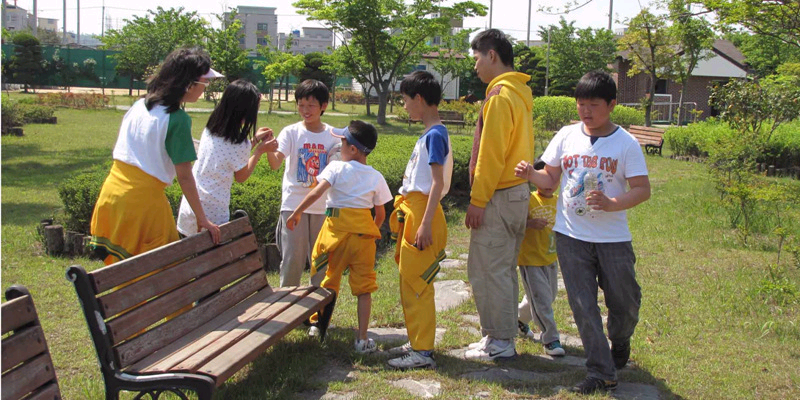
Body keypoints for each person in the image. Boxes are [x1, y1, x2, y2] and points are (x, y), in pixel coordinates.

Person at [514, 70, 651, 395]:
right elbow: (550, 180)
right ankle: (601, 371)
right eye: (580, 105)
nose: (585, 111)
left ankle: (619, 340)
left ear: (612, 104)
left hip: (613, 239)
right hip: (571, 236)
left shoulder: (626, 143)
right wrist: (530, 174)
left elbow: (642, 189)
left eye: (593, 105)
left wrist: (612, 202)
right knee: (583, 305)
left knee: (625, 304)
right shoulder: (566, 135)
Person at [90, 47, 222, 265]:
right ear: (189, 84)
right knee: (160, 279)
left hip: (111, 196)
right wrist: (202, 218)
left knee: (124, 276)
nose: (205, 89)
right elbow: (185, 176)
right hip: (142, 206)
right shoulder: (177, 120)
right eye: (204, 83)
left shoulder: (138, 106)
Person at [287, 120, 392, 354]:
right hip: (363, 237)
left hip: (335, 233)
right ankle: (362, 340)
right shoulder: (376, 176)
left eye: (342, 142)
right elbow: (381, 213)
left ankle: (318, 326)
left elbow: (317, 191)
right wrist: (370, 235)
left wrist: (297, 212)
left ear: (353, 149)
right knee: (364, 288)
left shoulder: (335, 168)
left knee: (327, 281)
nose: (339, 145)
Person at [464, 29, 535, 361]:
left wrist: (478, 201)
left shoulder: (499, 97)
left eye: (477, 57)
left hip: (498, 196)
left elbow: (491, 155)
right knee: (502, 269)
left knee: (488, 269)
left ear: (491, 55)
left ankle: (500, 341)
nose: (475, 65)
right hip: (516, 194)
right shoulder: (519, 93)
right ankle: (499, 336)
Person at [386, 71, 453, 370]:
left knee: (418, 285)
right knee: (409, 281)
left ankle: (422, 352)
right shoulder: (430, 134)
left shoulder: (436, 134)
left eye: (405, 100)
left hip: (422, 212)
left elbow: (436, 184)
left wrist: (424, 224)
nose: (404, 107)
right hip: (414, 211)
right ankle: (417, 341)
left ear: (419, 99)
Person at [176, 79, 277, 236]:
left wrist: (254, 141)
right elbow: (241, 176)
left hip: (191, 207)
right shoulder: (239, 142)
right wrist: (259, 151)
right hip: (212, 215)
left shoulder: (211, 128)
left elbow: (229, 156)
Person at [266, 79, 339, 288]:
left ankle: (318, 312)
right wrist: (268, 147)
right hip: (293, 205)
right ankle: (286, 309)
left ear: (323, 106)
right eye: (301, 105)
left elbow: (336, 171)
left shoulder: (333, 136)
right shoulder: (291, 132)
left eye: (311, 105)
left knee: (321, 262)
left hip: (322, 207)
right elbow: (275, 163)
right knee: (292, 261)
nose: (305, 110)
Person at [515, 160, 565, 357]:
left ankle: (518, 320)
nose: (550, 183)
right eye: (544, 177)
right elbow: (515, 222)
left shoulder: (560, 200)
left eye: (554, 179)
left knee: (548, 296)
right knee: (542, 300)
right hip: (530, 260)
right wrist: (529, 223)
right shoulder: (528, 200)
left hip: (551, 258)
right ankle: (550, 338)